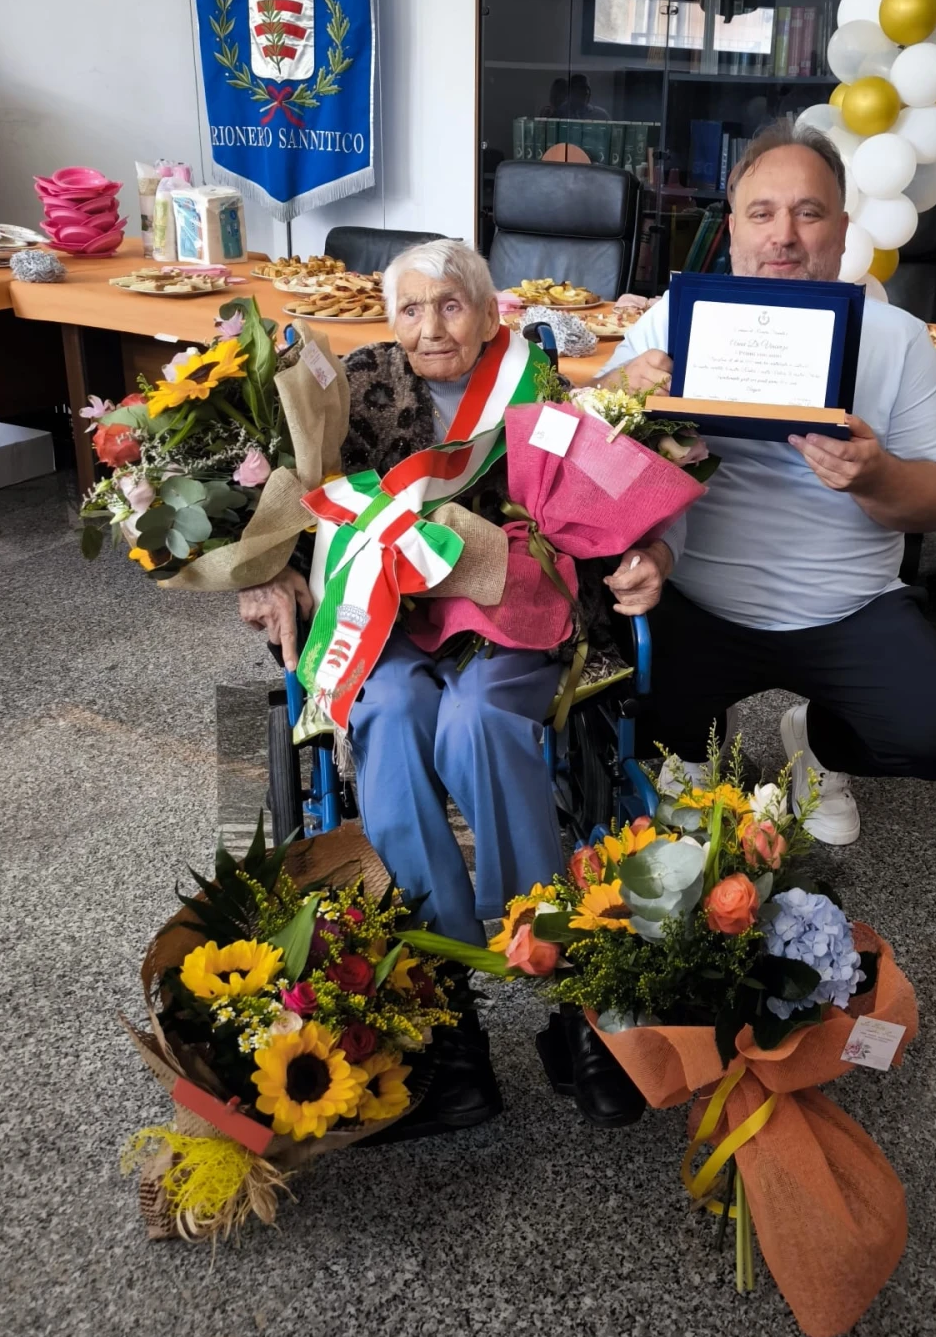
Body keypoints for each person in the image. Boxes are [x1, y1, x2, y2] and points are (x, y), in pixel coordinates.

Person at [237, 240, 655, 1130]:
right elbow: (278, 494)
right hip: (388, 619)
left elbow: (602, 492)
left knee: (477, 721)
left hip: (506, 609)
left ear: (490, 311)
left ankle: (560, 978)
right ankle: (442, 996)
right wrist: (265, 569)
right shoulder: (350, 384)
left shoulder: (534, 380)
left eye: (453, 305)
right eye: (412, 308)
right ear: (390, 318)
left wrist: (645, 549)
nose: (432, 326)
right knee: (390, 713)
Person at [597, 120, 936, 844]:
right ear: (732, 230)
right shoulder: (673, 322)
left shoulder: (897, 338)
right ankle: (696, 738)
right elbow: (588, 453)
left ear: (843, 231)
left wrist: (876, 477)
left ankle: (816, 745)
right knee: (614, 695)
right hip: (695, 598)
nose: (784, 236)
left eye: (809, 213)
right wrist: (619, 394)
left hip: (849, 606)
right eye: (762, 213)